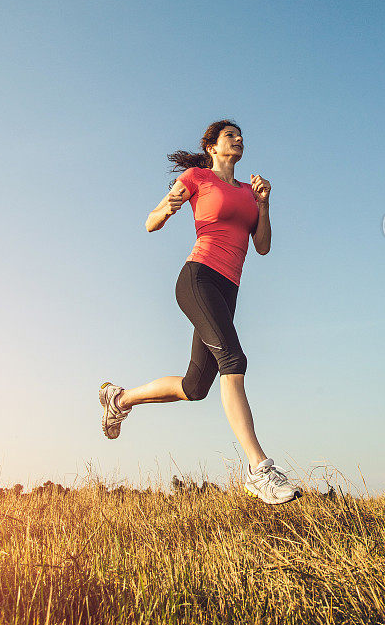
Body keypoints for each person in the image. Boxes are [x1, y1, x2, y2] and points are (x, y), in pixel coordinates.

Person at [99, 119, 301, 505]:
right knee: (234, 359)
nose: (239, 139)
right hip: (199, 278)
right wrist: (168, 207)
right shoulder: (197, 178)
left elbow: (262, 247)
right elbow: (150, 223)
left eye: (241, 136)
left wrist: (264, 203)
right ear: (212, 146)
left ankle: (120, 399)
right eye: (230, 135)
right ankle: (259, 469)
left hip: (229, 289)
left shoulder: (248, 190)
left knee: (196, 387)